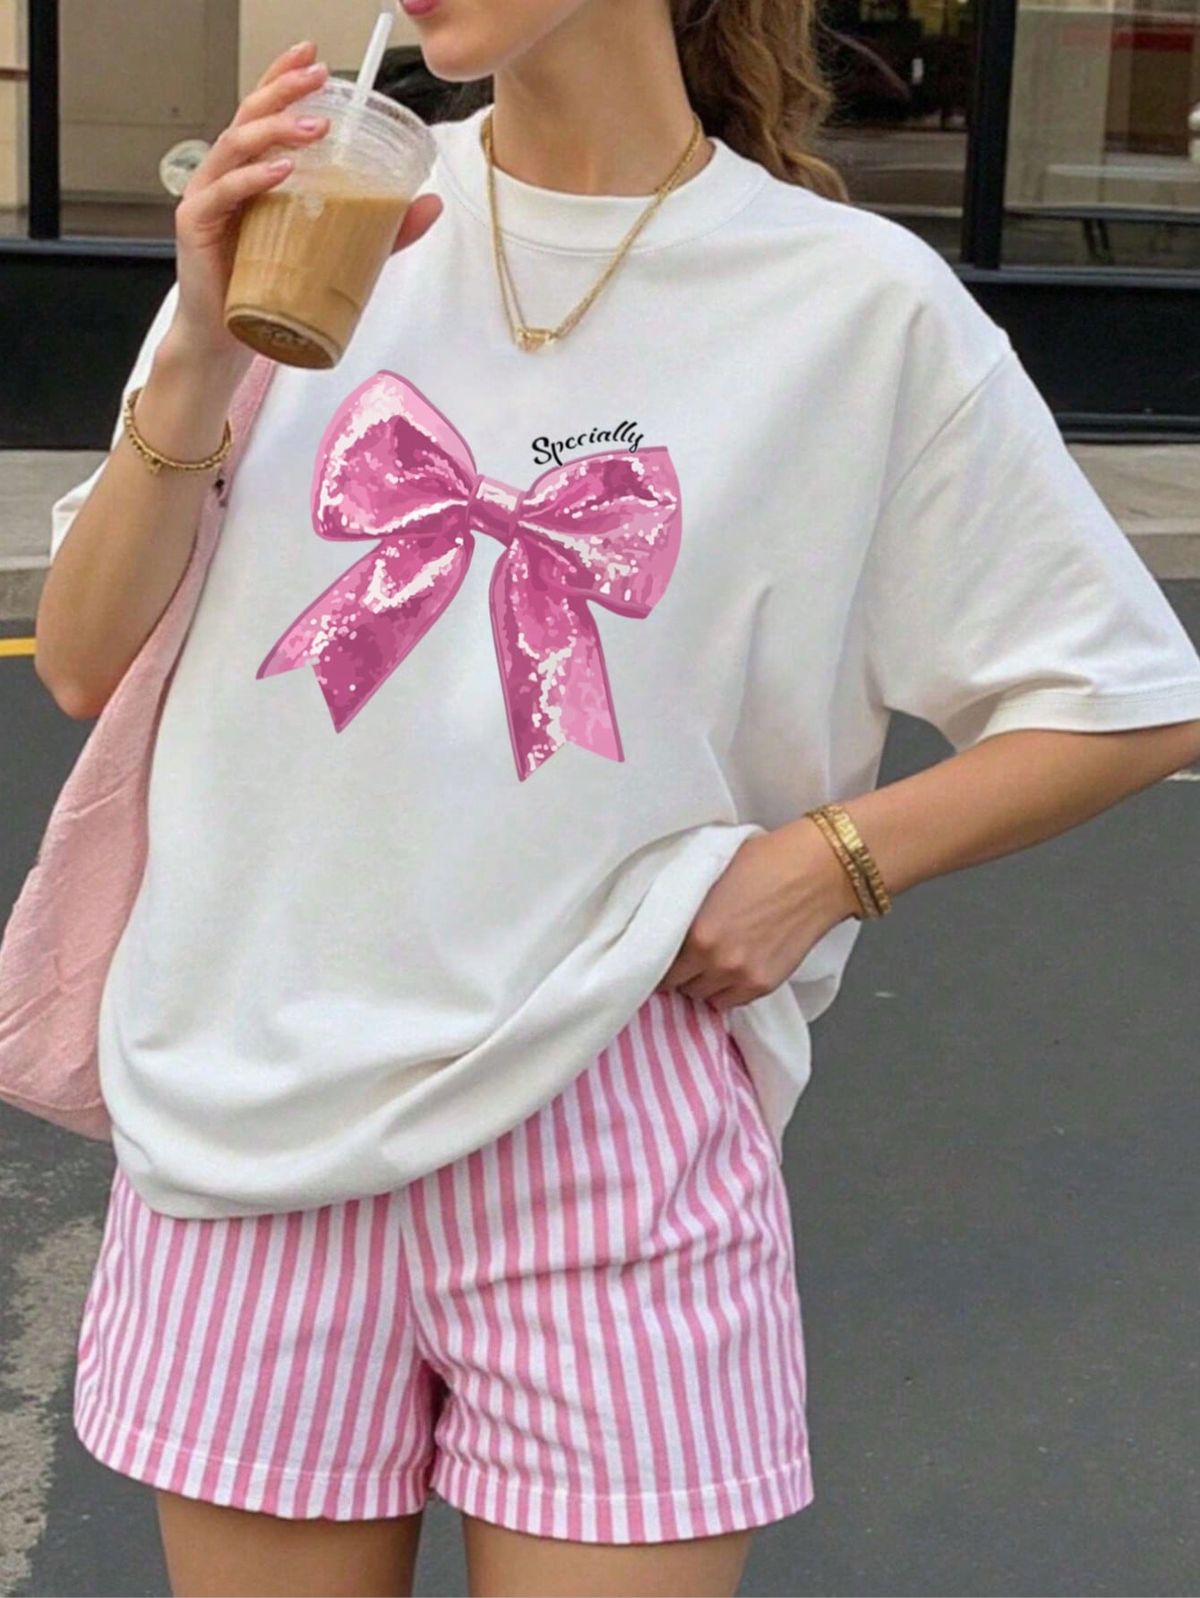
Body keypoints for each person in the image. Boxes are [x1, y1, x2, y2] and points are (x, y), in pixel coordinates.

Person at [33, 1, 1200, 1594]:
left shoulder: (848, 310)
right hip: (251, 1109)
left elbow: (1129, 697)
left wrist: (828, 860)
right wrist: (196, 345)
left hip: (609, 1115)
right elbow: (83, 659)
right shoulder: (326, 216)